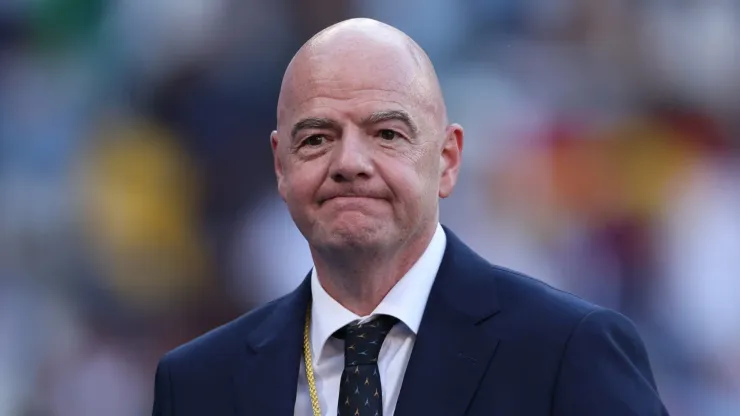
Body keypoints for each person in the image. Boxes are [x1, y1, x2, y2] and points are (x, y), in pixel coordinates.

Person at [151, 18, 669, 416]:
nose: (350, 164)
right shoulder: (198, 382)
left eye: (387, 134)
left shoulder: (568, 351)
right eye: (316, 139)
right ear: (281, 167)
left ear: (447, 160)